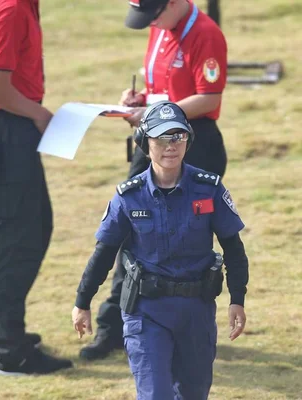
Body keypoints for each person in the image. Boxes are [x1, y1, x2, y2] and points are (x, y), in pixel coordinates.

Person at [79, 0, 230, 360]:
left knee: (189, 237)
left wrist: (150, 114)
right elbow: (164, 89)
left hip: (193, 143)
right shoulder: (160, 27)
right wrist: (140, 100)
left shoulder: (206, 34)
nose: (153, 24)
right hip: (154, 141)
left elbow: (209, 97)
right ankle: (114, 324)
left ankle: (187, 326)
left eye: (155, 14)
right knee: (129, 232)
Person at [72, 102, 249, 399]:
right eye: (162, 138)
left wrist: (238, 299)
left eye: (178, 137)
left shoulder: (210, 189)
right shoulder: (128, 197)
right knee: (156, 393)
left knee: (194, 392)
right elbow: (104, 252)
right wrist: (82, 301)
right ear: (144, 143)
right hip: (146, 311)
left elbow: (233, 247)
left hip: (197, 310)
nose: (171, 146)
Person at [0, 0, 72, 375]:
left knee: (29, 229)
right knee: (15, 238)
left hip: (1, 122)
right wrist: (39, 114)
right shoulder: (10, 8)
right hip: (5, 127)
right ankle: (12, 351)